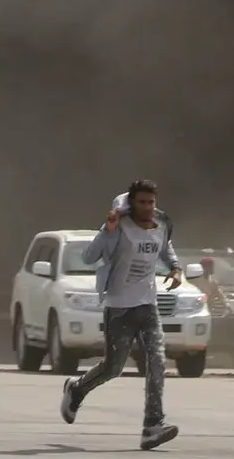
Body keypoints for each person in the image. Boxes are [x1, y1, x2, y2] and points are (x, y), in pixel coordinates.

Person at [59, 179, 183, 450]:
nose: (148, 207)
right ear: (131, 203)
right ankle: (77, 389)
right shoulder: (119, 227)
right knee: (113, 367)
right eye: (142, 202)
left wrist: (175, 268)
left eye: (151, 202)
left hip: (147, 305)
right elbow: (90, 257)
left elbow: (166, 247)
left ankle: (152, 426)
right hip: (119, 307)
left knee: (157, 362)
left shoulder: (161, 224)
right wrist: (108, 229)